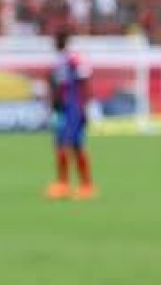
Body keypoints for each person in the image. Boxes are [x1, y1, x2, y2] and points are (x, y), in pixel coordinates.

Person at [45, 31, 96, 200]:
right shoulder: (59, 61)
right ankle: (63, 184)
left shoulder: (73, 60)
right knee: (60, 145)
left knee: (75, 146)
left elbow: (84, 82)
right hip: (62, 109)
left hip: (73, 108)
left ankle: (86, 185)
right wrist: (53, 105)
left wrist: (84, 107)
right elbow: (56, 86)